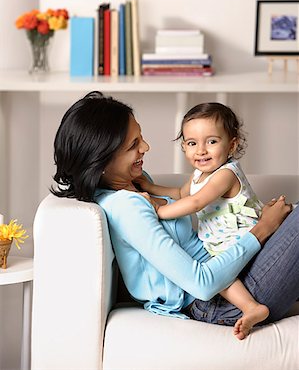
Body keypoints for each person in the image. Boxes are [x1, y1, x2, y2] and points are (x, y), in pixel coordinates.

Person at [51, 91, 298, 340]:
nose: (146, 147)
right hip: (218, 302)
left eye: (141, 137)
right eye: (133, 145)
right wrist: (264, 228)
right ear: (102, 161)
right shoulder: (127, 208)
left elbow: (186, 196)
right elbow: (202, 283)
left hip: (235, 273)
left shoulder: (136, 182)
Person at [135, 102, 275, 339]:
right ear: (184, 146)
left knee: (221, 277)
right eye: (192, 143)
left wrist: (157, 212)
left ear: (232, 144)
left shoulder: (226, 174)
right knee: (218, 273)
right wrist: (151, 187)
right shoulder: (200, 173)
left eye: (211, 141)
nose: (201, 150)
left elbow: (195, 203)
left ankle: (252, 307)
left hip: (240, 236)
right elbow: (182, 194)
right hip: (221, 243)